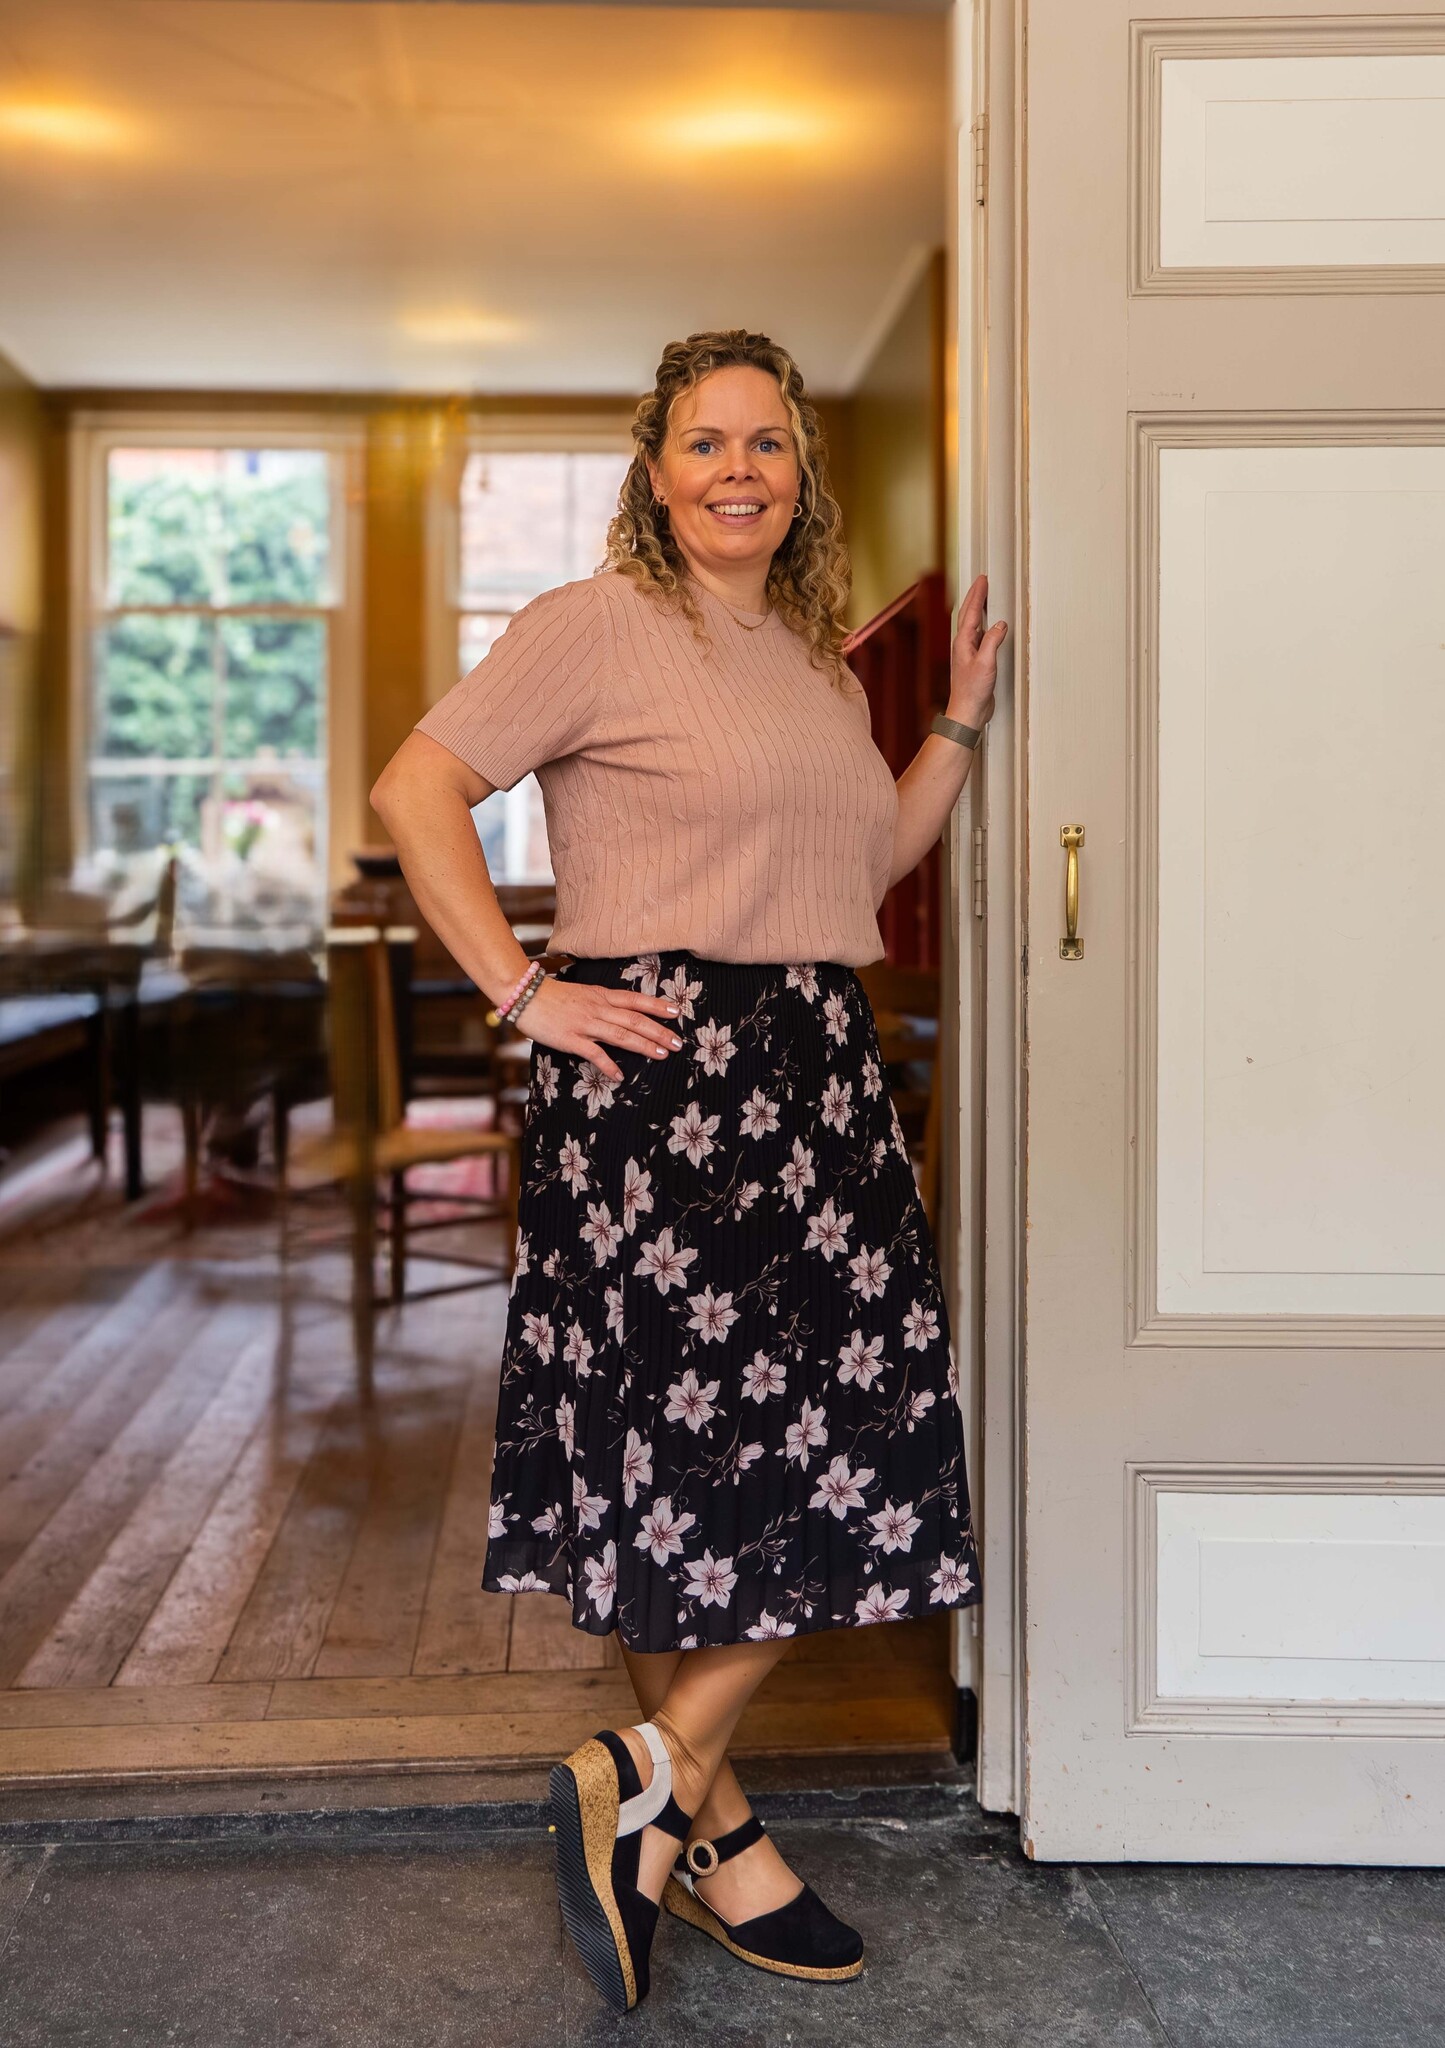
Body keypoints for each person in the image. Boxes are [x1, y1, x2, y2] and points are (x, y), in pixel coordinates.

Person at [371, 328, 1005, 2013]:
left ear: (801, 475)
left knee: (845, 1438)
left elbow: (861, 860)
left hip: (816, 1069)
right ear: (654, 473)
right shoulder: (591, 624)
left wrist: (954, 722)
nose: (739, 468)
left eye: (767, 443)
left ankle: (652, 1783)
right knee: (681, 1459)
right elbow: (417, 788)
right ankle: (703, 1824)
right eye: (706, 442)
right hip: (657, 1084)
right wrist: (521, 990)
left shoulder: (808, 661)